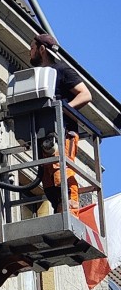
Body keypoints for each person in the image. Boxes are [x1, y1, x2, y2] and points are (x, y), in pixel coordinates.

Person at [29, 33, 92, 215]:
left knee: (60, 171)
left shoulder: (62, 69)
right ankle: (59, 213)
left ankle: (71, 215)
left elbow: (85, 94)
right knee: (48, 180)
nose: (30, 52)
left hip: (63, 132)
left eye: (32, 48)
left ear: (42, 49)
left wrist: (61, 110)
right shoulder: (40, 76)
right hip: (46, 134)